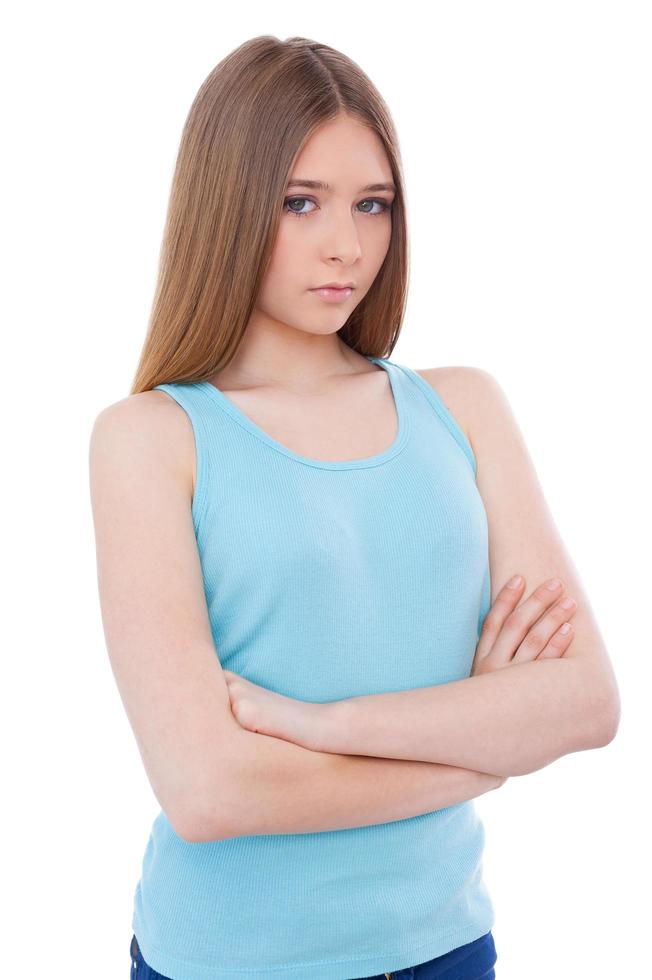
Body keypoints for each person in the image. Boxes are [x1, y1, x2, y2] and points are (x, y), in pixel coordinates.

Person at [89, 35, 620, 980]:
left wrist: (325, 726)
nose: (349, 245)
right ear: (230, 205)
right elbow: (207, 790)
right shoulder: (150, 439)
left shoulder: (462, 407)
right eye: (303, 203)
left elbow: (584, 702)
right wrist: (479, 746)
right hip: (230, 962)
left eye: (373, 205)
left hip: (445, 946)